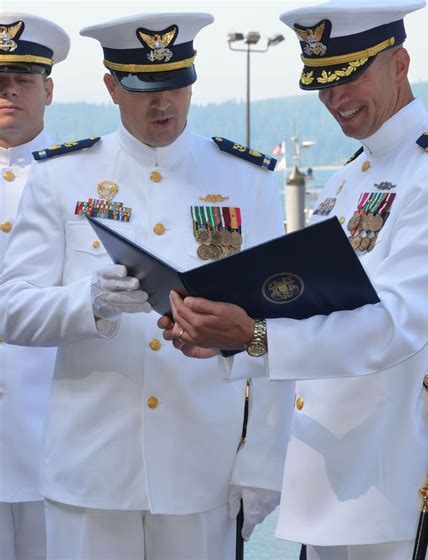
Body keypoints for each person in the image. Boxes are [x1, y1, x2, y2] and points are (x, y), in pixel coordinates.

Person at [159, 1, 428, 558]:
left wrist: (254, 336)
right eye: (323, 85)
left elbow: (399, 326)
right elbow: (311, 305)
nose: (335, 99)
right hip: (331, 488)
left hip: (400, 489)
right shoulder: (350, 177)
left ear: (399, 64)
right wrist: (223, 336)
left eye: (351, 77)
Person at [0, 12, 294, 560]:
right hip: (90, 473)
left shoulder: (246, 179)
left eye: (177, 85)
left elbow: (274, 326)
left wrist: (263, 461)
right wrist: (84, 302)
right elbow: (10, 309)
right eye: (144, 90)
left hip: (200, 470)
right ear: (112, 88)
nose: (164, 104)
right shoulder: (62, 176)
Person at [0, 13, 69, 560]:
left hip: (57, 435)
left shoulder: (84, 181)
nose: (8, 93)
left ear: (47, 88)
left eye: (21, 80)